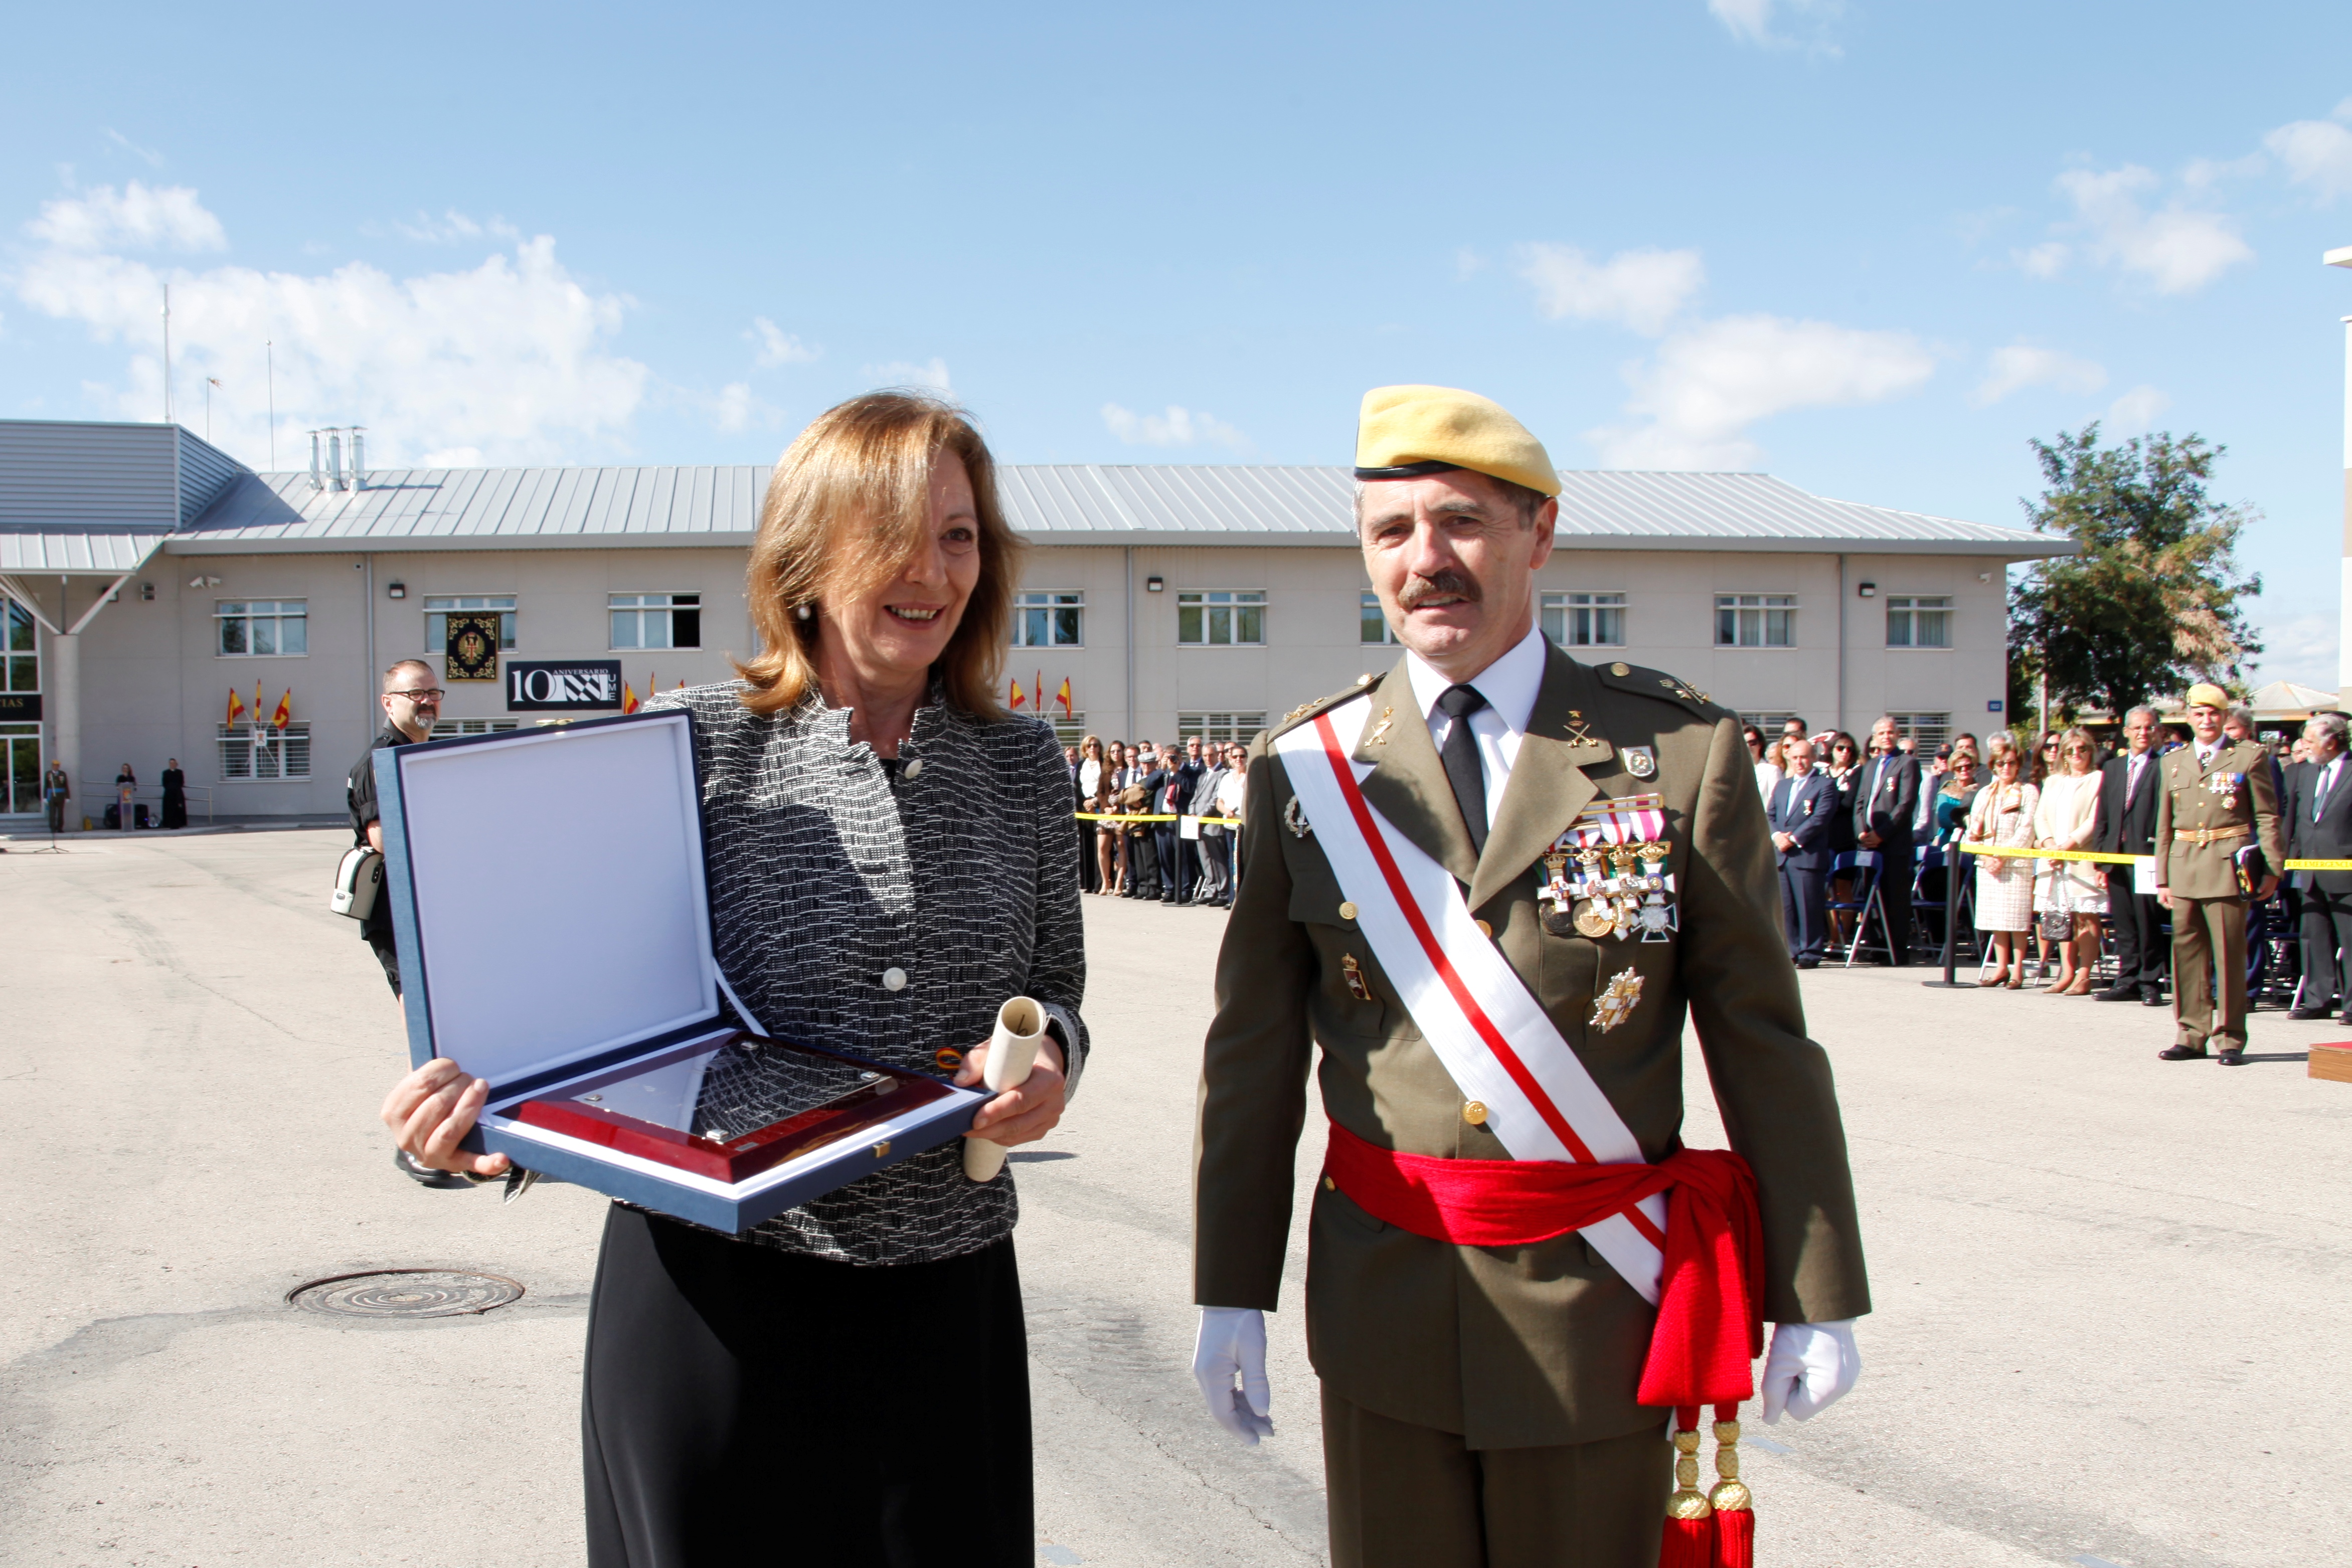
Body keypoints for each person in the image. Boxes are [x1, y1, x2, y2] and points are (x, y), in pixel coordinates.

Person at [380, 391, 1084, 1566]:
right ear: (807, 557)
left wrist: (1051, 1054)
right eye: (891, 533)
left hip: (946, 1300)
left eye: (958, 534)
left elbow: (1056, 983)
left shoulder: (1021, 762)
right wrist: (468, 1130)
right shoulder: (687, 745)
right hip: (715, 1307)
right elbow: (579, 1013)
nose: (931, 569)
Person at [1193, 385, 1868, 1568]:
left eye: (1460, 521)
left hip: (1593, 1306)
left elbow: (1760, 1037)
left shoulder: (1676, 751)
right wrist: (1229, 1284)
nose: (1425, 560)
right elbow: (1253, 1047)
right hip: (1384, 1303)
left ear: (1538, 532)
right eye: (1391, 532)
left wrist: (1814, 1290)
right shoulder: (1306, 764)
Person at [2154, 683, 2286, 1065]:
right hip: (2183, 864)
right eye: (2199, 713)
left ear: (2225, 717)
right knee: (2186, 953)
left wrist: (2273, 868)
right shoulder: (2173, 761)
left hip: (2228, 865)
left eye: (2214, 713)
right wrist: (2162, 877)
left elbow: (2267, 816)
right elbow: (2165, 824)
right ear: (2189, 718)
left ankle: (2229, 1037)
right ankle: (2190, 1034)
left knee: (2229, 953)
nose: (2207, 720)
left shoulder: (2248, 756)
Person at [2093, 707, 2168, 1006]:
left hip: (2147, 856)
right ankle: (2127, 979)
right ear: (2126, 732)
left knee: (2147, 920)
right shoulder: (2113, 768)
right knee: (2123, 921)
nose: (2143, 733)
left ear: (2157, 731)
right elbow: (2103, 815)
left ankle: (2150, 981)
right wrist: (2100, 860)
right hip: (2116, 855)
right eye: (2137, 728)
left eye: (2149, 728)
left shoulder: (2163, 766)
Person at [2286, 712, 2352, 1022]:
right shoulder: (2306, 772)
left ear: (2333, 741)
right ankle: (2317, 999)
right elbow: (2296, 818)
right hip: (2310, 868)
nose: (2305, 746)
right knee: (2314, 936)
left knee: (2350, 939)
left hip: (2345, 869)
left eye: (2311, 741)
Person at [2032, 728, 2107, 995]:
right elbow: (2040, 817)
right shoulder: (2053, 781)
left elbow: (2095, 819)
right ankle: (2066, 972)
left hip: (2080, 858)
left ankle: (2084, 975)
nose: (2077, 754)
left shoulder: (2098, 779)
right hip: (2053, 859)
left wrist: (2067, 847)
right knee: (2060, 916)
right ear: (2063, 754)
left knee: (2086, 917)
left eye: (2082, 749)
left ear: (2090, 751)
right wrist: (2050, 845)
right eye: (2071, 750)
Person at [1965, 750, 2039, 987]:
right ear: (1993, 765)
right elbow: (1972, 832)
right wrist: (1986, 857)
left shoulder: (2028, 791)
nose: (2006, 767)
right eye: (2001, 763)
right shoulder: (1985, 793)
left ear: (2018, 765)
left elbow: (2027, 829)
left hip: (2015, 863)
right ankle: (2001, 968)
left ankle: (2017, 970)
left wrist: (2002, 856)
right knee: (1997, 920)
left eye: (2011, 763)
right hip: (1988, 864)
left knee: (2016, 920)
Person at [1853, 714, 1921, 963]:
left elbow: (1905, 805)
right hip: (1868, 843)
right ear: (1875, 737)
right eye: (1881, 733)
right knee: (1872, 896)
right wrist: (1862, 832)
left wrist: (1880, 834)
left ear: (1898, 735)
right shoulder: (1870, 765)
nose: (1886, 737)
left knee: (1895, 899)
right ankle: (1877, 946)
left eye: (1891, 732)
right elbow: (1860, 802)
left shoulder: (1907, 763)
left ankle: (1897, 951)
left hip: (1893, 844)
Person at [1769, 736, 1838, 967]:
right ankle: (1791, 950)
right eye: (1795, 757)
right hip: (1782, 856)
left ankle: (1810, 952)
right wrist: (1777, 837)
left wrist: (1794, 838)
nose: (1799, 762)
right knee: (1786, 908)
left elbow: (1820, 818)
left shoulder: (1825, 785)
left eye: (1805, 757)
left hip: (1807, 856)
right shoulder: (1783, 785)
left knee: (1808, 907)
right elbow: (1770, 815)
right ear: (1789, 758)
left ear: (1813, 758)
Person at [1192, 744, 1233, 906]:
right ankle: (1211, 890)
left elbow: (1215, 800)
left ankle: (1223, 892)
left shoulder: (1223, 774)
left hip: (1212, 824)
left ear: (1217, 755)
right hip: (1198, 824)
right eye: (1205, 756)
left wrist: (1200, 817)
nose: (1208, 759)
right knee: (1206, 859)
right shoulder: (1203, 775)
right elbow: (1196, 797)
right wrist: (1192, 813)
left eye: (1211, 755)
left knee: (1218, 860)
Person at [42, 758, 70, 833]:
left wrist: (68, 797)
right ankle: (53, 828)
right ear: (52, 766)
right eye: (54, 765)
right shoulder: (48, 774)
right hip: (51, 796)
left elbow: (66, 785)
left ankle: (60, 828)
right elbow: (46, 786)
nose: (56, 767)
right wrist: (45, 797)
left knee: (61, 814)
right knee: (52, 813)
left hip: (61, 796)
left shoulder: (62, 774)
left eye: (57, 766)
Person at [160, 757, 188, 829]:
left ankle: (179, 823)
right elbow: (164, 783)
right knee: (169, 808)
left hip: (178, 793)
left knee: (179, 808)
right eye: (171, 763)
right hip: (169, 793)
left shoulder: (180, 772)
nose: (172, 764)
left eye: (173, 763)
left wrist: (176, 788)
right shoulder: (166, 773)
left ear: (176, 764)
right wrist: (170, 788)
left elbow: (182, 782)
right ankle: (169, 824)